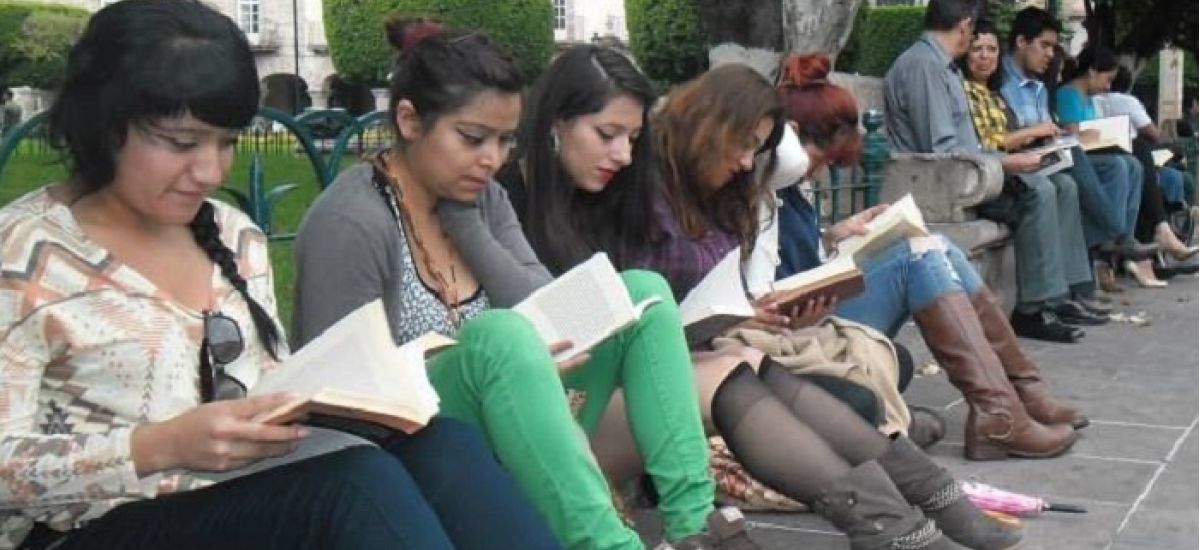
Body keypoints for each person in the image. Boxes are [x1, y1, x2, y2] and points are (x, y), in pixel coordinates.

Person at [0, 2, 563, 550]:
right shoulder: (25, 250)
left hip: (236, 498)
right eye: (180, 143)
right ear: (105, 122)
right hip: (90, 527)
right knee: (351, 489)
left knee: (440, 446)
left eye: (226, 143)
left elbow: (273, 387)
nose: (210, 171)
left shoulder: (233, 233)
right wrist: (156, 447)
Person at [506, 47, 1022, 550]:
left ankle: (918, 507)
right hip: (548, 420)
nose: (621, 153)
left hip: (618, 391)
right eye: (606, 134)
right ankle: (893, 525)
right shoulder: (510, 198)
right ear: (555, 122)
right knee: (729, 369)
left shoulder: (607, 193)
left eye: (632, 137)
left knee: (742, 358)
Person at [291, 18, 754, 550]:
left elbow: (543, 302)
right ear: (410, 120)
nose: (491, 159)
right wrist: (509, 360)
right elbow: (342, 400)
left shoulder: (482, 196)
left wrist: (465, 223)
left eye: (505, 141)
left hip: (514, 409)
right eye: (472, 138)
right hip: (417, 448)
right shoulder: (352, 221)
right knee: (502, 337)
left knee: (641, 292)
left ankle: (695, 528)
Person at [883, 0, 1105, 344]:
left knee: (1061, 185)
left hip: (975, 170)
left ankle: (1061, 295)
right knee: (1040, 191)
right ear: (964, 25)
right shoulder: (924, 66)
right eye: (973, 33)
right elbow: (943, 152)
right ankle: (1031, 310)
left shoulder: (941, 66)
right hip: (950, 181)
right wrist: (1004, 162)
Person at [1091, 66, 1198, 275]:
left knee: (1142, 170)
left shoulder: (1092, 101)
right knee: (1150, 166)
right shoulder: (1124, 101)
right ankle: (1160, 237)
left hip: (1113, 156)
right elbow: (1153, 133)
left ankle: (1158, 242)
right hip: (1114, 157)